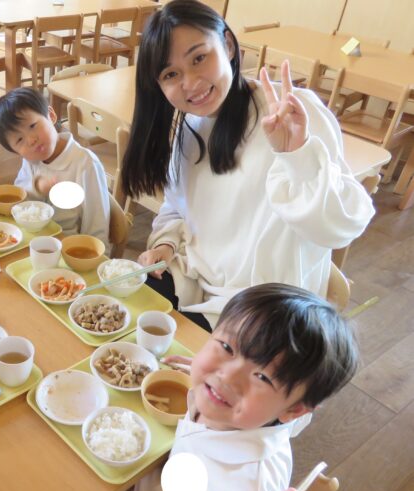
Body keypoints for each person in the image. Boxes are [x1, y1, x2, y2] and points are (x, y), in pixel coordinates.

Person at [48, 283, 360, 491]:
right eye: (227, 347)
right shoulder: (233, 409)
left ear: (294, 410)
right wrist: (200, 371)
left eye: (263, 377)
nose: (227, 376)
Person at [120, 0, 374, 331]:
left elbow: (341, 227)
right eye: (171, 74)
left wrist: (297, 156)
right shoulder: (190, 126)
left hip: (262, 311)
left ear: (227, 45)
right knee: (119, 313)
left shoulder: (291, 113)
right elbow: (178, 206)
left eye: (199, 58)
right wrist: (166, 243)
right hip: (196, 283)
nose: (191, 82)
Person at [0, 87, 110, 248]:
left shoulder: (85, 164)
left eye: (32, 126)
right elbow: (19, 204)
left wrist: (95, 255)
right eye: (19, 140)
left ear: (51, 115)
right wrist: (37, 186)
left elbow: (97, 222)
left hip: (66, 246)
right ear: (15, 151)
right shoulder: (31, 160)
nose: (31, 140)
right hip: (30, 240)